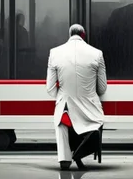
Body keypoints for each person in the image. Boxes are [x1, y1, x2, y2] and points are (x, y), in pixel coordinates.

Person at [46, 24, 107, 171]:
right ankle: (82, 149)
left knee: (61, 123)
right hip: (90, 109)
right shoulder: (97, 54)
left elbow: (50, 89)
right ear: (83, 35)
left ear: (69, 35)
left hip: (65, 106)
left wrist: (62, 94)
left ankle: (64, 159)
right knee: (95, 124)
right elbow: (102, 88)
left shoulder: (55, 53)